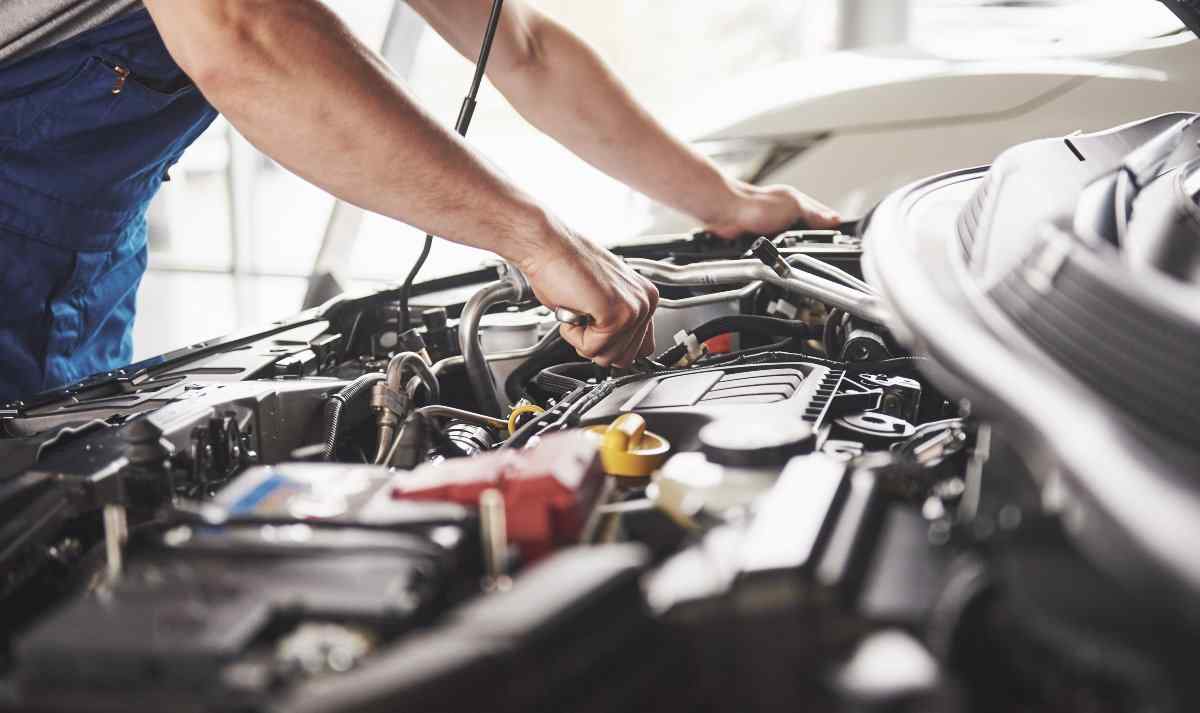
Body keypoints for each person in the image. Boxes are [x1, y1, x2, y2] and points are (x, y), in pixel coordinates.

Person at [0, 0, 839, 402]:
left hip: (77, 261)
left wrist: (728, 202)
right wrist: (535, 238)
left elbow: (522, 49)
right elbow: (242, 30)